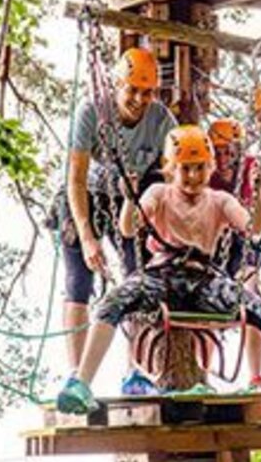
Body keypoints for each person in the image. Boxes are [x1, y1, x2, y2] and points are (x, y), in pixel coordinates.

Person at [56, 126, 261, 432]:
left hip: (204, 280)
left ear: (209, 168)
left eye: (199, 168)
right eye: (185, 169)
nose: (193, 176)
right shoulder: (159, 193)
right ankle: (81, 382)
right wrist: (130, 199)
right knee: (111, 302)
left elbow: (254, 231)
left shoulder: (220, 200)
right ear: (171, 169)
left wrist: (259, 195)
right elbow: (129, 229)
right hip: (161, 276)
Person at [56, 47, 176, 395]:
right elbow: (76, 178)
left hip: (131, 198)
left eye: (147, 92)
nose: (139, 100)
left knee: (137, 278)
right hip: (87, 195)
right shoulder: (91, 112)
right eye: (132, 90)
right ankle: (77, 376)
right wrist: (87, 236)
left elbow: (171, 177)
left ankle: (135, 370)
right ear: (117, 85)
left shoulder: (161, 120)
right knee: (79, 280)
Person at [207, 118, 261, 392]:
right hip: (215, 244)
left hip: (243, 243)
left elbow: (257, 227)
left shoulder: (249, 169)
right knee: (206, 306)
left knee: (252, 299)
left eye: (228, 152)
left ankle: (255, 376)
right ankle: (203, 374)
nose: (222, 159)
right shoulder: (204, 172)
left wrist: (259, 190)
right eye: (217, 152)